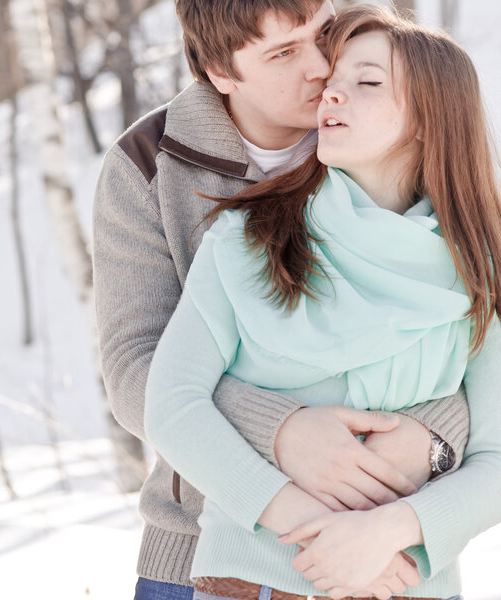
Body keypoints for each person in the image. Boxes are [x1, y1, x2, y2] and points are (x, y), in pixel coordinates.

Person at [93, 1, 469, 598]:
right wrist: (282, 431)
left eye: (322, 34)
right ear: (221, 71)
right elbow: (138, 369)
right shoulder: (146, 168)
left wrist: (431, 438)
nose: (322, 67)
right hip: (207, 544)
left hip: (384, 549)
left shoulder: (373, 140)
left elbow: (447, 322)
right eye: (284, 53)